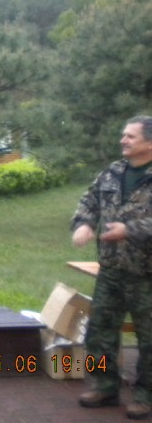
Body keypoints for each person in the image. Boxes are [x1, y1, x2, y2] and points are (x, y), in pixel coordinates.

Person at [72, 115, 152, 420]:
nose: (123, 140)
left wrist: (129, 230)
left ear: (149, 142)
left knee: (149, 339)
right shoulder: (113, 172)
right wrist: (84, 224)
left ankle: (145, 395)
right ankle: (105, 386)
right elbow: (89, 201)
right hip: (111, 269)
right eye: (123, 135)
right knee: (99, 332)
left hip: (146, 274)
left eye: (130, 136)